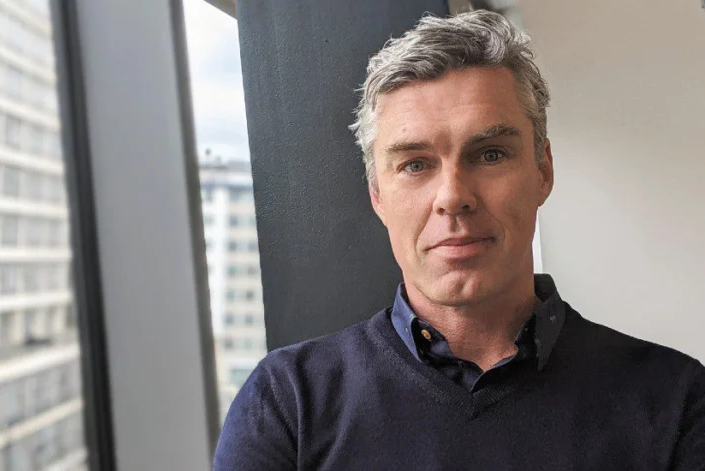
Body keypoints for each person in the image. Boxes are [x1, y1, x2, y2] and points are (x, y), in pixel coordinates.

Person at [214, 10, 705, 470]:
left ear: (543, 171)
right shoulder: (287, 404)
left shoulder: (677, 400)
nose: (452, 197)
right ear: (377, 195)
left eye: (490, 154)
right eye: (414, 164)